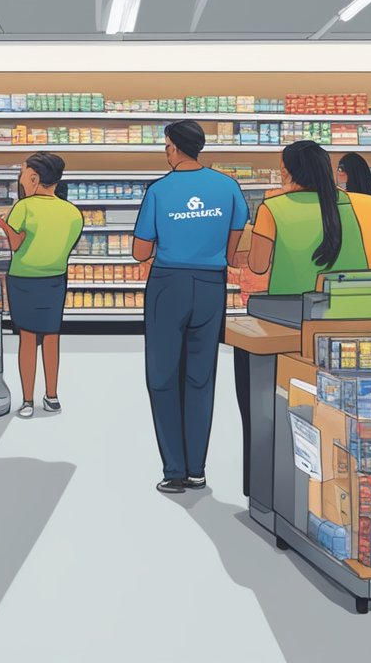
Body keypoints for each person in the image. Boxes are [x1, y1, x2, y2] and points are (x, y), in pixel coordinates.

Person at [131, 120, 248, 494]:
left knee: (163, 378)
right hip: (211, 287)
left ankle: (174, 470)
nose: (165, 152)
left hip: (168, 286)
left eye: (166, 146)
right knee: (201, 379)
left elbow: (140, 251)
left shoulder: (159, 191)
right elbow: (234, 249)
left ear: (176, 148)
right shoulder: (228, 187)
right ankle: (198, 469)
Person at [0, 153, 82, 418]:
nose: (20, 179)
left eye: (22, 173)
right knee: (52, 336)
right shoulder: (73, 213)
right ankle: (52, 396)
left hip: (23, 279)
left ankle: (28, 401)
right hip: (55, 279)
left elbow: (16, 243)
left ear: (34, 178)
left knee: (28, 339)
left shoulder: (24, 207)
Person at [249, 141, 371, 294]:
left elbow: (257, 266)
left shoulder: (273, 207)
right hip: (349, 302)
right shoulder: (347, 202)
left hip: (294, 306)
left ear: (284, 171)